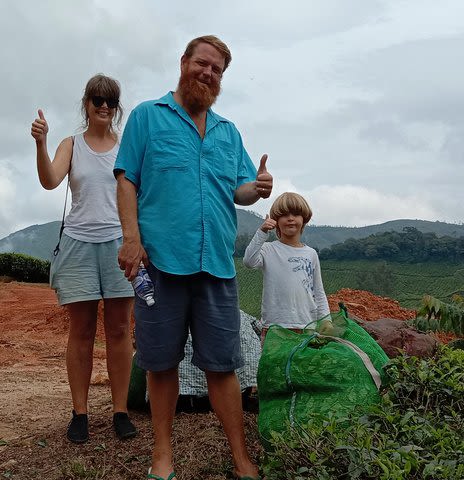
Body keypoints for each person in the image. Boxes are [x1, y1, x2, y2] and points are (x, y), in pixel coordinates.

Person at [114, 35, 270, 480]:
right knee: (161, 364)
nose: (208, 73)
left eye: (217, 69)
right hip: (161, 261)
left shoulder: (227, 131)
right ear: (184, 63)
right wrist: (131, 239)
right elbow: (127, 180)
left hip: (216, 265)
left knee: (222, 366)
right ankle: (162, 455)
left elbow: (239, 189)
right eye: (202, 63)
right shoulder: (148, 116)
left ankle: (241, 458)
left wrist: (256, 188)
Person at [30, 74, 137, 444]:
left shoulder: (126, 149)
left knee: (121, 329)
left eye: (110, 100)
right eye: (97, 99)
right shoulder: (71, 144)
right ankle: (80, 413)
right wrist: (42, 144)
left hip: (118, 245)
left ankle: (120, 410)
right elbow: (49, 180)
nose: (104, 106)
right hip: (78, 245)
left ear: (117, 107)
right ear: (87, 104)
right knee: (82, 330)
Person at [243, 192, 330, 334]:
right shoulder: (268, 249)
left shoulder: (311, 254)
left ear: (304, 218)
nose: (290, 218)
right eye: (284, 215)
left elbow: (318, 291)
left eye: (295, 214)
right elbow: (249, 261)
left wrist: (326, 320)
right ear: (276, 220)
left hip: (307, 326)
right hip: (275, 327)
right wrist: (262, 231)